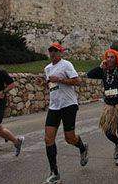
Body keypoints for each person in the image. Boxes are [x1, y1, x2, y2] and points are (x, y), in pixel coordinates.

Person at [43, 42, 88, 184]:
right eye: (51, 51)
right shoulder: (47, 68)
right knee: (48, 139)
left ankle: (82, 147)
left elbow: (78, 81)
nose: (53, 53)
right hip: (54, 106)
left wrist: (60, 79)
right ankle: (54, 173)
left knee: (69, 138)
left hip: (68, 105)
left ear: (60, 52)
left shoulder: (67, 65)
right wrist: (45, 83)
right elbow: (51, 85)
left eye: (55, 51)